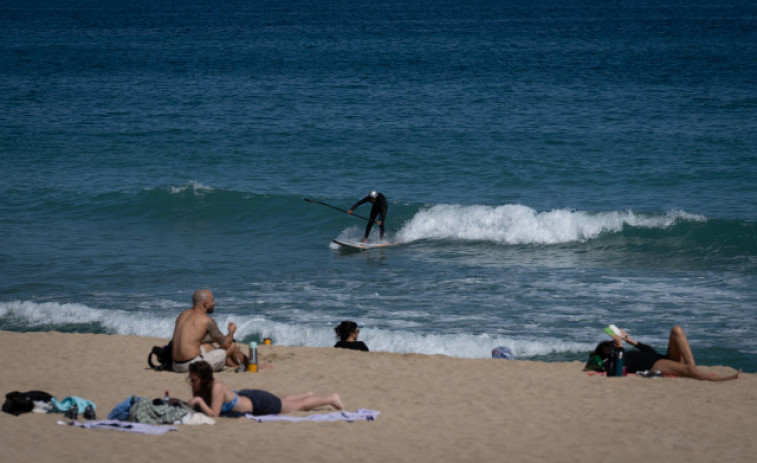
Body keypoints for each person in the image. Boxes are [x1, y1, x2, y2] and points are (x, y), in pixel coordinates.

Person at [187, 361, 344, 417]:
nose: (191, 383)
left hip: (259, 403)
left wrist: (199, 402)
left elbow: (214, 414)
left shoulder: (216, 387)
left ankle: (331, 398)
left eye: (194, 380)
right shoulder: (201, 386)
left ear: (204, 378)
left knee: (299, 406)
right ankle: (305, 395)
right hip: (247, 397)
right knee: (283, 401)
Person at [593, 325, 741, 381]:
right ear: (605, 353)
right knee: (688, 371)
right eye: (608, 346)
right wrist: (618, 348)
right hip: (657, 365)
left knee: (677, 330)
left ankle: (692, 365)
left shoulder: (625, 352)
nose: (611, 344)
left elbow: (649, 351)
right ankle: (722, 378)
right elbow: (619, 372)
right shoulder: (616, 359)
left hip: (663, 357)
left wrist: (631, 341)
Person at [171, 289, 246, 373]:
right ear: (205, 303)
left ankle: (235, 365)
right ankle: (248, 365)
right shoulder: (207, 320)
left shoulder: (183, 314)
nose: (214, 303)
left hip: (176, 365)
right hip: (193, 366)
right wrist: (231, 331)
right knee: (232, 346)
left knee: (208, 346)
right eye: (212, 300)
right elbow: (226, 344)